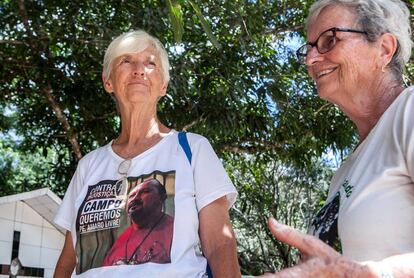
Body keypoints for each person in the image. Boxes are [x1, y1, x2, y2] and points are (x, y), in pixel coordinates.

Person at [53, 30, 241, 277]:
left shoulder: (192, 149)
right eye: (126, 61)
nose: (139, 70)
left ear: (163, 85)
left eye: (151, 63)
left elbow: (220, 245)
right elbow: (69, 260)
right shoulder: (89, 165)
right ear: (108, 80)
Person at [263, 0, 414, 277]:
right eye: (308, 48)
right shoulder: (347, 170)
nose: (310, 59)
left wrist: (368, 273)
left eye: (329, 40)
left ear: (384, 49)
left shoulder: (409, 111)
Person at [102, 179, 174, 266]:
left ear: (162, 197)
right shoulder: (119, 243)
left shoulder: (176, 229)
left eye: (145, 192)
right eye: (131, 196)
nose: (135, 198)